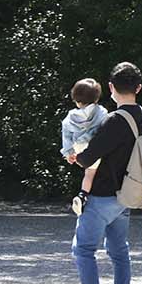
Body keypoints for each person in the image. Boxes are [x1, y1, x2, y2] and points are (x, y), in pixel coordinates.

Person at [64, 62, 142, 284]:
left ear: (111, 88)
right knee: (119, 251)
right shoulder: (141, 116)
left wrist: (76, 156)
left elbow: (89, 157)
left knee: (83, 249)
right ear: (139, 88)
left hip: (102, 195)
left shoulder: (114, 120)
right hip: (126, 194)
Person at [60, 77, 108, 210]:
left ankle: (83, 195)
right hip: (95, 145)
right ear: (97, 98)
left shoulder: (71, 116)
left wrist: (68, 152)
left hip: (79, 147)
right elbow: (106, 127)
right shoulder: (101, 111)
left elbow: (66, 133)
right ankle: (84, 194)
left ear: (75, 99)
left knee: (89, 173)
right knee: (96, 171)